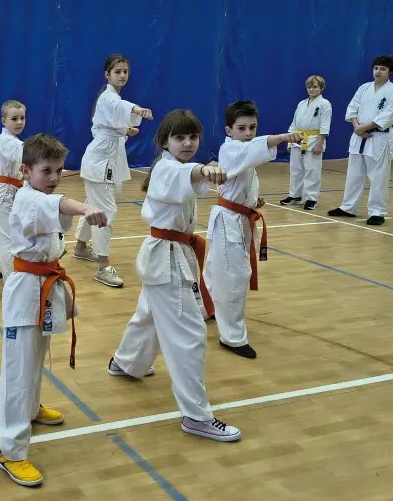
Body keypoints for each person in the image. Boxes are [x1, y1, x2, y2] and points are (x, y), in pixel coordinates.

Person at [109, 109, 241, 443]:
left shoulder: (173, 166)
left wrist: (203, 168)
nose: (187, 143)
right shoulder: (167, 168)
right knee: (189, 334)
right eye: (179, 137)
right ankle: (197, 416)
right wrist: (204, 169)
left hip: (169, 254)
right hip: (166, 258)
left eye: (193, 137)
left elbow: (190, 175)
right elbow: (189, 173)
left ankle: (126, 362)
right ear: (164, 141)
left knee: (149, 315)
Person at [0, 133, 108, 487]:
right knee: (18, 369)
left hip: (44, 283)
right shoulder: (28, 198)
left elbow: (54, 209)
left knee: (36, 356)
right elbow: (58, 204)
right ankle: (10, 450)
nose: (55, 177)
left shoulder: (41, 197)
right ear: (26, 171)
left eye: (59, 170)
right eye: (47, 170)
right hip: (25, 289)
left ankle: (31, 409)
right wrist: (85, 207)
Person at [203, 101, 301, 359]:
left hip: (237, 219)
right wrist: (282, 137)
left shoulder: (243, 152)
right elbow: (252, 150)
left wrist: (252, 201)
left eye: (253, 127)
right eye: (242, 128)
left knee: (215, 270)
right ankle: (232, 337)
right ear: (228, 130)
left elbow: (240, 180)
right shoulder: (230, 149)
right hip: (228, 221)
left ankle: (204, 307)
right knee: (233, 277)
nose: (248, 133)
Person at [72, 54, 153, 288]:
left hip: (104, 160)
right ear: (107, 75)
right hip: (100, 163)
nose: (123, 75)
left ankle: (80, 247)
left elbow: (113, 121)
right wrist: (137, 109)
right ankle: (103, 266)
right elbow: (119, 108)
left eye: (125, 71)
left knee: (93, 204)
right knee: (106, 210)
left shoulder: (113, 98)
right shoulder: (108, 98)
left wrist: (125, 130)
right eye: (118, 71)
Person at [327, 56, 393, 225]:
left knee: (378, 176)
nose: (378, 71)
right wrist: (357, 127)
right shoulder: (364, 88)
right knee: (354, 173)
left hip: (379, 136)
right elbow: (352, 108)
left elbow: (390, 114)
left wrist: (365, 127)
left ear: (390, 71)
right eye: (376, 68)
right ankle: (348, 207)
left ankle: (377, 212)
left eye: (383, 69)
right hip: (359, 135)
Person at [0, 100, 26, 281]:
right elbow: (26, 152)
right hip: (4, 193)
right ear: (4, 121)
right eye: (14, 119)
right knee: (7, 240)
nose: (19, 122)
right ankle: (11, 281)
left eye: (22, 118)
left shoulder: (11, 140)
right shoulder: (7, 141)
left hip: (4, 191)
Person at [279, 76, 332, 211]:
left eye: (315, 87)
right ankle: (295, 195)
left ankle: (311, 198)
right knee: (295, 169)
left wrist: (320, 143)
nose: (311, 89)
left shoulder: (325, 104)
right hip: (297, 138)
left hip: (314, 139)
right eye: (309, 87)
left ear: (321, 88)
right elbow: (294, 123)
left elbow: (325, 125)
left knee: (312, 170)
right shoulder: (301, 103)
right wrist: (289, 141)